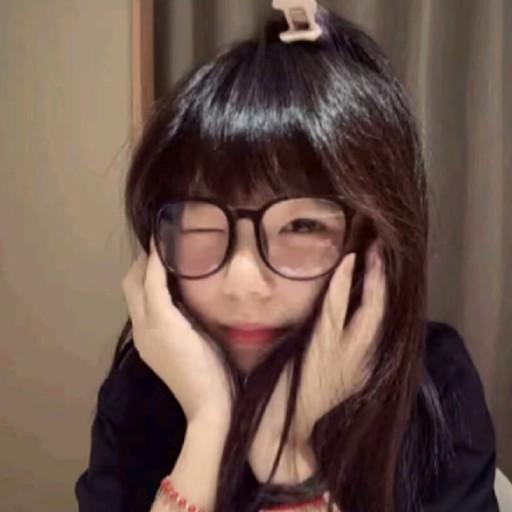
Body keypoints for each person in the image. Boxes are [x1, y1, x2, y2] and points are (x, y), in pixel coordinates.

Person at [75, 6, 499, 512]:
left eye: (302, 227)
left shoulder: (434, 387)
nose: (241, 283)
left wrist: (288, 459)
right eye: (203, 225)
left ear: (377, 247)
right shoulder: (145, 386)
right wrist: (207, 425)